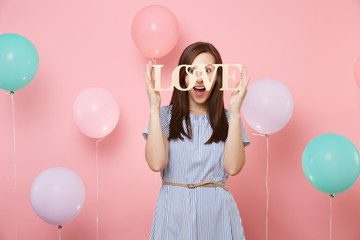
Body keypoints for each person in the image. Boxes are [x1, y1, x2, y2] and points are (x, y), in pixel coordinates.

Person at [143, 42, 250, 240]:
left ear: (218, 77)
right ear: (182, 77)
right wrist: (153, 107)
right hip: (174, 212)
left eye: (208, 70)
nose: (199, 78)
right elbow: (156, 163)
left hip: (217, 214)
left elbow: (233, 167)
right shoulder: (165, 116)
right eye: (192, 70)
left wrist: (235, 112)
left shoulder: (228, 119)